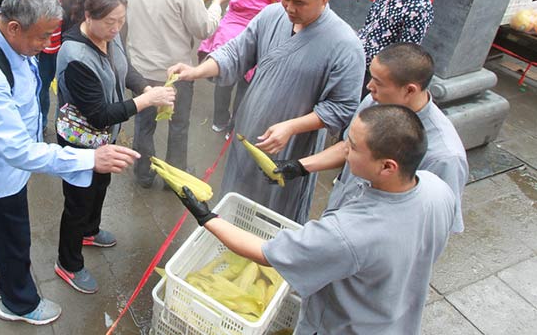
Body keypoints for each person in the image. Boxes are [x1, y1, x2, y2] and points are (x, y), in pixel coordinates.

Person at [0, 0, 140, 324]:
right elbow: (20, 152)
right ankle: (18, 303)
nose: (46, 46)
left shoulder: (1, 23)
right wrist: (90, 159)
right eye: (41, 38)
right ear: (13, 27)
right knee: (14, 237)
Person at [176, 104, 456, 335]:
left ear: (387, 166)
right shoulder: (436, 189)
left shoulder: (348, 233)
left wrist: (207, 217)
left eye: (354, 147)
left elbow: (263, 253)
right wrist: (299, 166)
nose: (344, 149)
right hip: (395, 321)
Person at [168, 0, 364, 223]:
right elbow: (236, 52)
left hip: (292, 146)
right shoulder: (271, 15)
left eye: (300, 3)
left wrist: (291, 127)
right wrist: (196, 71)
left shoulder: (345, 45)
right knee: (236, 199)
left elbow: (341, 108)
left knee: (273, 214)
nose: (290, 8)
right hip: (249, 130)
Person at [53, 0, 176, 293]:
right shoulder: (75, 56)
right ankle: (68, 263)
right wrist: (147, 102)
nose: (116, 28)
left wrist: (145, 88)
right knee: (77, 201)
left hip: (104, 137)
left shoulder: (112, 35)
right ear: (87, 16)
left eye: (121, 20)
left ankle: (89, 231)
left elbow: (125, 69)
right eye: (110, 21)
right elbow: (98, 114)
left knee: (101, 186)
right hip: (81, 139)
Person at [277, 42, 468, 235]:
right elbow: (348, 147)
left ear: (410, 90)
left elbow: (434, 228)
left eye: (378, 82)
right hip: (340, 219)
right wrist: (299, 166)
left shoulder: (445, 156)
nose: (369, 87)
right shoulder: (376, 101)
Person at [115, 0, 226, 186]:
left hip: (140, 71)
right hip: (177, 73)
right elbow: (204, 28)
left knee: (144, 124)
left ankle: (143, 172)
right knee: (179, 125)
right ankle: (174, 178)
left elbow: (119, 28)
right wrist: (217, 5)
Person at [198, 0, 283, 132]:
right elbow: (284, 5)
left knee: (224, 76)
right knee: (247, 84)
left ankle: (219, 121)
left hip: (228, 29)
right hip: (255, 34)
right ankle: (235, 127)